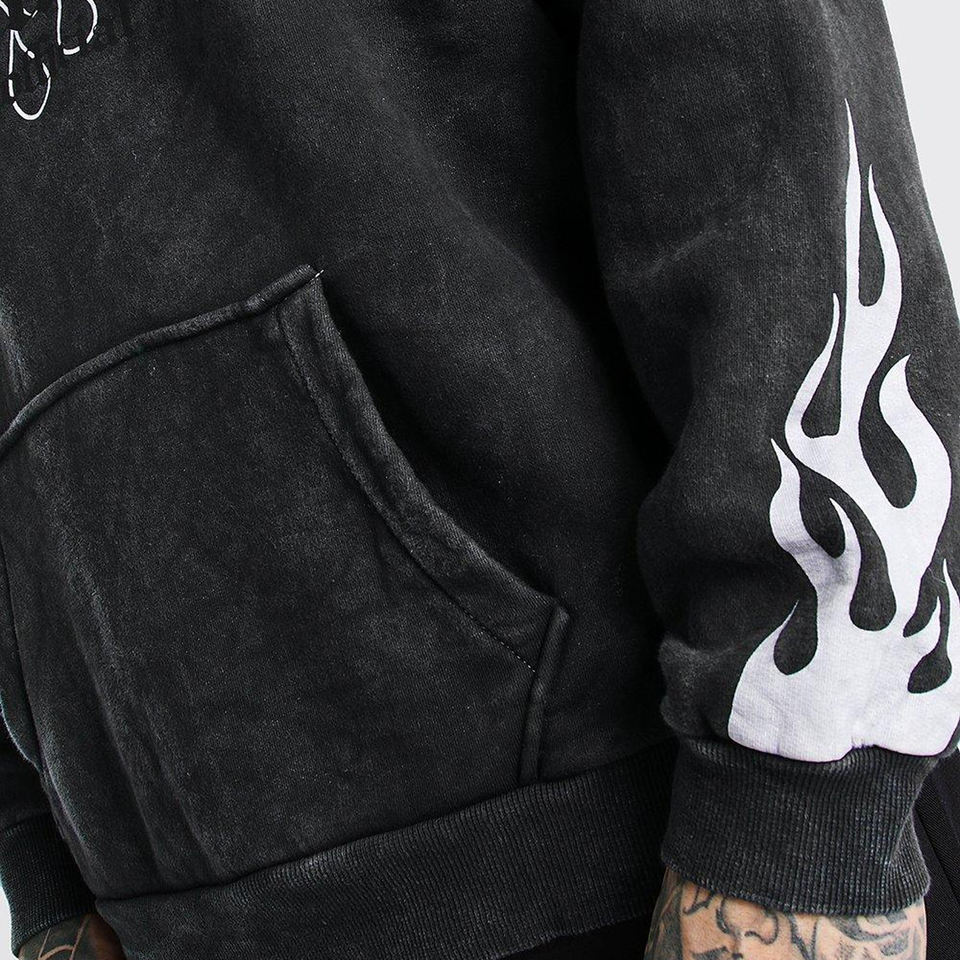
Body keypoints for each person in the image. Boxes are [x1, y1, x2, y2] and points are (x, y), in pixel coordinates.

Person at [0, 1, 957, 958]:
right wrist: (40, 853)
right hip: (161, 902)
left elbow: (774, 143)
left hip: (658, 846)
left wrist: (806, 811)